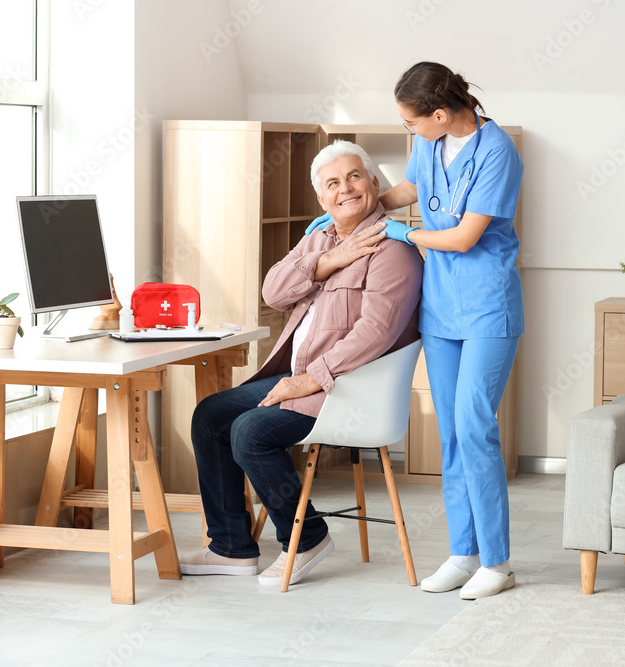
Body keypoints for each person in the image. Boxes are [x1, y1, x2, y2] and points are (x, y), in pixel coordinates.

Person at [307, 62, 523, 599]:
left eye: (411, 122)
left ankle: (497, 561)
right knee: (450, 433)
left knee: (475, 426)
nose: (410, 130)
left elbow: (466, 236)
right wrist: (352, 210)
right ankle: (463, 553)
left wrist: (400, 233)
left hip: (487, 307)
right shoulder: (431, 144)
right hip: (442, 308)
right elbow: (410, 187)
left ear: (441, 114)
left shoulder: (498, 152)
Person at [181, 140, 423, 587]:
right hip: (300, 379)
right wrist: (329, 260)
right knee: (211, 415)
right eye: (332, 183)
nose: (345, 189)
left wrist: (310, 379)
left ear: (374, 183)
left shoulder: (395, 251)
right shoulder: (318, 237)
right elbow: (273, 292)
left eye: (354, 177)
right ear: (321, 198)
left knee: (249, 432)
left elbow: (374, 333)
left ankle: (308, 536)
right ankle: (231, 546)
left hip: (345, 390)